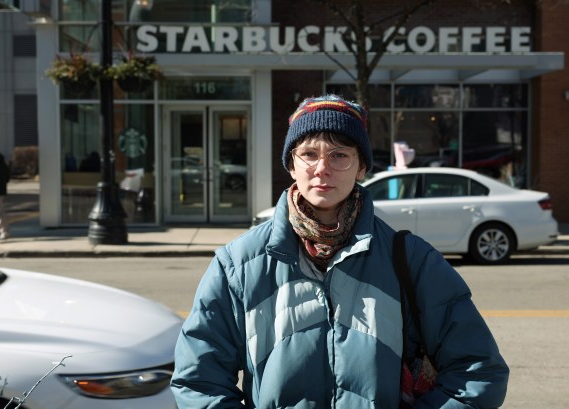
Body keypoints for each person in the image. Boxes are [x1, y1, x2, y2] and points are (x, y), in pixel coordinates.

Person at [170, 95, 509, 408]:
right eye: (309, 154)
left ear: (362, 167)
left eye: (339, 155)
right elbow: (199, 380)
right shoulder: (239, 265)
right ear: (291, 164)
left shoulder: (412, 260)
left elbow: (478, 371)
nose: (322, 168)